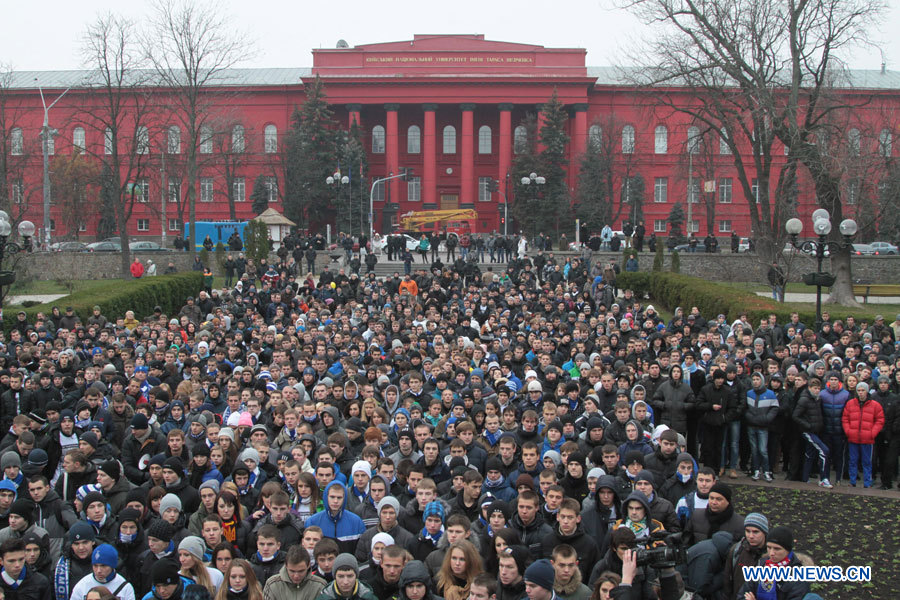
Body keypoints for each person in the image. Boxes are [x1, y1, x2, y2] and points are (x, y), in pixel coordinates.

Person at [738, 526, 810, 600]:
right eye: (769, 547)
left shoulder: (798, 576)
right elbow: (743, 595)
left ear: (788, 550)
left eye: (777, 549)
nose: (771, 553)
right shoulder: (761, 565)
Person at [842, 382, 885, 488]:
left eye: (863, 390)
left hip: (867, 439)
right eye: (859, 390)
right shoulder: (850, 403)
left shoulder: (875, 405)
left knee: (867, 462)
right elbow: (845, 418)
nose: (861, 393)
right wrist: (848, 431)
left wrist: (872, 433)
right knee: (852, 461)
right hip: (853, 437)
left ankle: (867, 483)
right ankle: (852, 482)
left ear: (867, 391)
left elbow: (880, 420)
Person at [69, 543, 136, 600]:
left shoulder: (125, 588)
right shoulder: (82, 586)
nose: (98, 570)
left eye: (103, 566)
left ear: (112, 566)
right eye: (95, 566)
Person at [262, 544, 326, 600]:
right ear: (286, 565)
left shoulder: (320, 586)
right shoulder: (272, 584)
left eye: (301, 571)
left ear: (308, 565)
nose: (296, 576)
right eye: (292, 571)